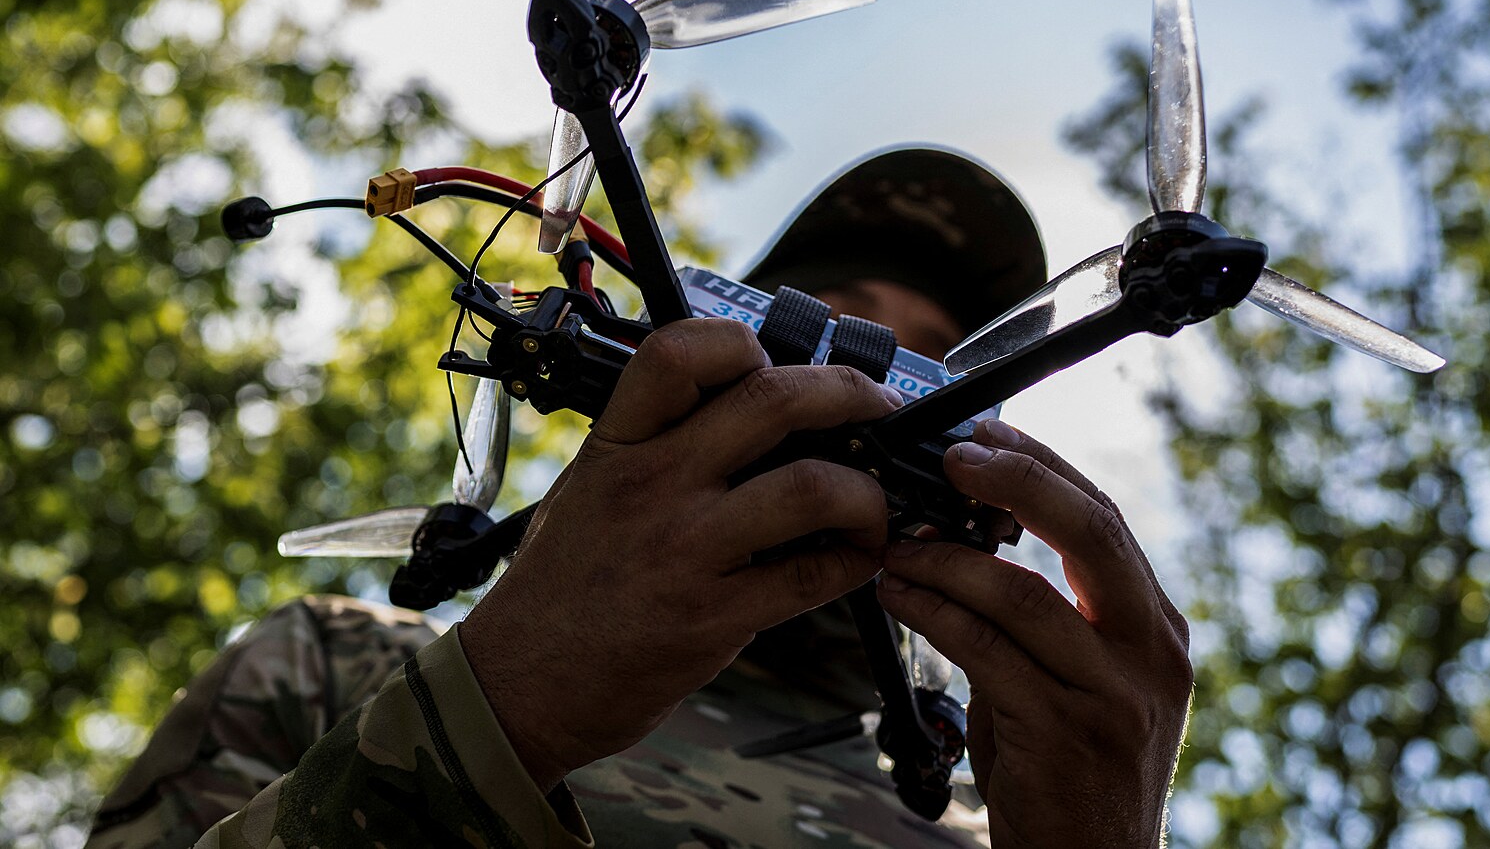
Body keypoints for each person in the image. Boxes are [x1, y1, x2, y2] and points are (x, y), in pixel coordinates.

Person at [88, 148, 1194, 849]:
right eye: (829, 322)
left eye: (929, 364)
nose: (868, 381)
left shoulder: (999, 822)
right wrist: (500, 704)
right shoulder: (335, 667)